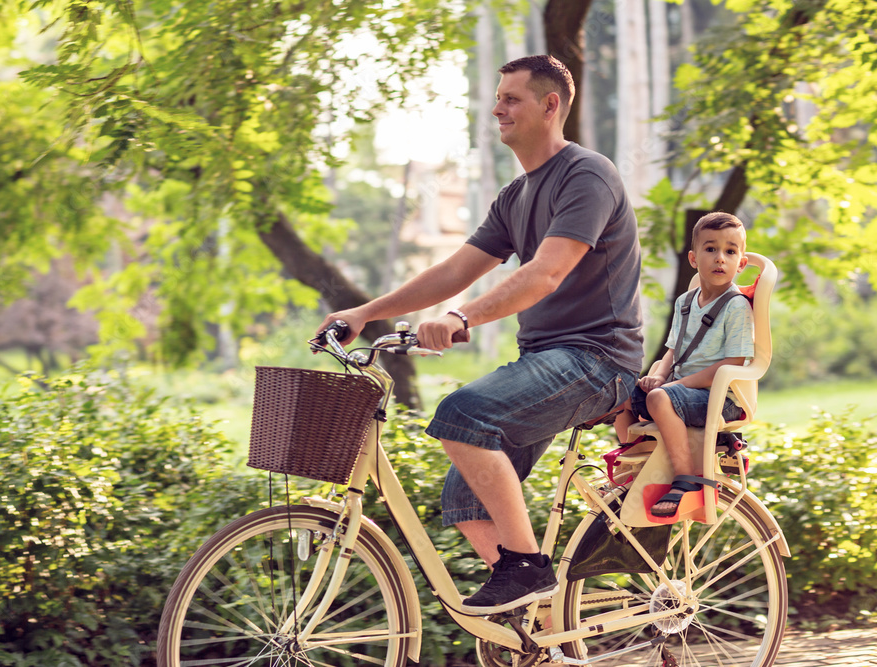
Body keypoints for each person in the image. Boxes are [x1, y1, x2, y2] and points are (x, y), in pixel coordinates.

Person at [317, 55, 643, 614]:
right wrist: (364, 313)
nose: (497, 108)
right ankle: (530, 628)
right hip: (546, 360)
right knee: (464, 499)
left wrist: (463, 318)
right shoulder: (515, 196)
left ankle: (529, 570)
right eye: (498, 98)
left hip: (598, 360)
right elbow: (453, 271)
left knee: (463, 414)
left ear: (550, 105)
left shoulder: (587, 174)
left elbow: (547, 271)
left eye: (511, 98)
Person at [613, 212, 754, 517]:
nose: (720, 258)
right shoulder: (685, 302)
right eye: (711, 249)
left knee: (660, 397)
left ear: (741, 263)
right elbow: (673, 352)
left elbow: (733, 364)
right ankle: (630, 462)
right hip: (679, 391)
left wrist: (673, 386)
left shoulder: (736, 306)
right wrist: (660, 375)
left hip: (720, 399)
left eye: (730, 251)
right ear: (693, 258)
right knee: (620, 390)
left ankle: (686, 478)